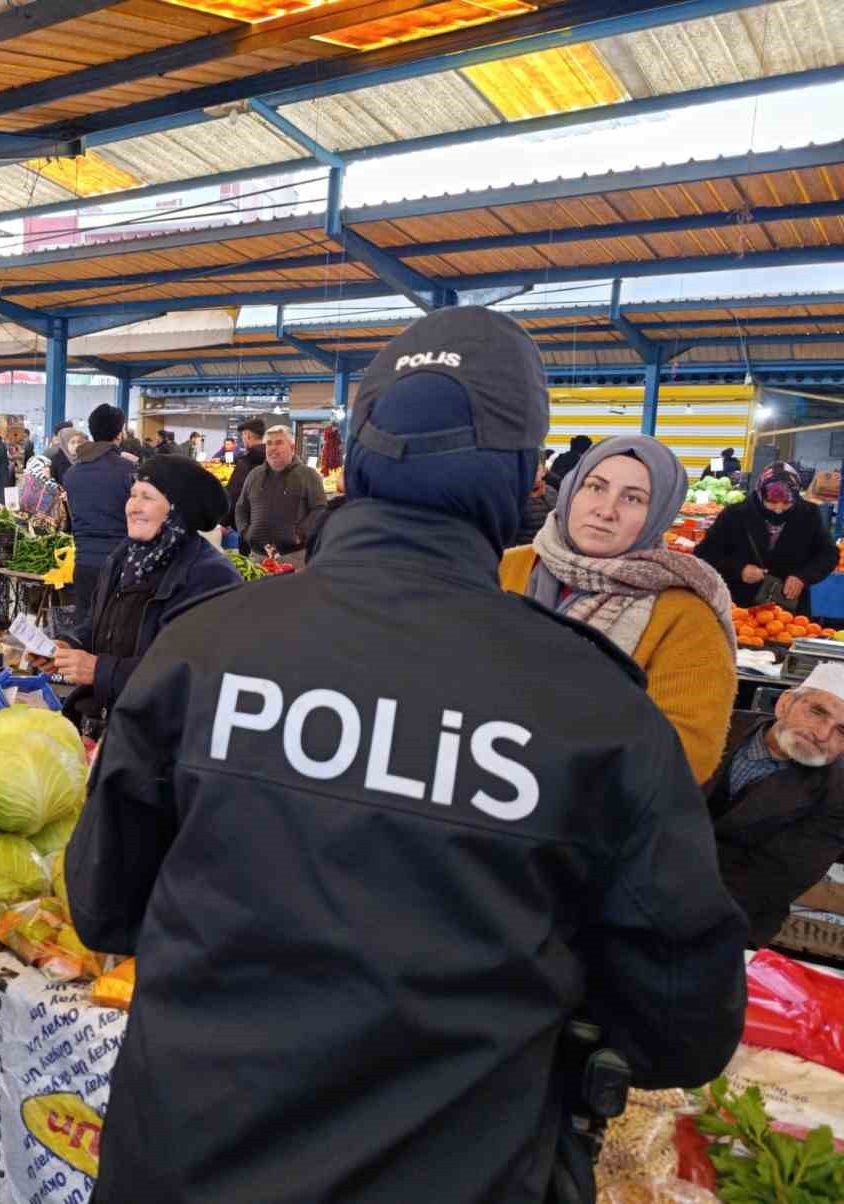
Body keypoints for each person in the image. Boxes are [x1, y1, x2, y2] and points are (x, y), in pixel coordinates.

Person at [64, 307, 748, 1204]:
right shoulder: (595, 709)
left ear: (358, 454)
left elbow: (104, 905)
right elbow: (679, 1027)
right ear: (521, 478)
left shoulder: (208, 647)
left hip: (182, 1159)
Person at [501, 435, 736, 784]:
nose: (606, 510)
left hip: (582, 820)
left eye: (633, 499)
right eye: (595, 487)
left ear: (659, 515)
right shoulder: (502, 569)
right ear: (571, 491)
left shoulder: (685, 614)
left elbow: (687, 753)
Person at [46, 456, 240, 733]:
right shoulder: (125, 556)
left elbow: (192, 674)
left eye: (147, 497)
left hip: (159, 738)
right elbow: (100, 623)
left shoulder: (210, 576)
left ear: (176, 509)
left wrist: (100, 671)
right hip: (106, 722)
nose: (132, 507)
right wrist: (67, 644)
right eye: (132, 495)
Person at [704, 667, 844, 946]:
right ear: (784, 703)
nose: (822, 734)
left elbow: (771, 880)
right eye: (817, 712)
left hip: (726, 923)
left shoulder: (837, 794)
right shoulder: (714, 726)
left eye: (842, 731)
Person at [695, 462, 837, 618]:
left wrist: (803, 577)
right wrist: (739, 569)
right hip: (740, 607)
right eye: (772, 502)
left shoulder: (809, 514)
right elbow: (704, 553)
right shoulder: (735, 515)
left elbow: (828, 554)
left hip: (788, 611)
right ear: (760, 494)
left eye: (786, 503)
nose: (779, 509)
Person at [64, 404, 139, 606]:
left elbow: (72, 516)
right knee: (116, 630)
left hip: (83, 563)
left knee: (85, 628)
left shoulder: (72, 474)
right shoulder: (129, 470)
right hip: (120, 563)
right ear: (119, 433)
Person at [233, 423, 328, 566]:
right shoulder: (254, 475)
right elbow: (241, 507)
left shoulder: (308, 475)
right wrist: (246, 532)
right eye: (269, 443)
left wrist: (300, 534)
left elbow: (320, 509)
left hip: (294, 557)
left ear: (291, 447)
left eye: (278, 443)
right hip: (258, 557)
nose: (273, 448)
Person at [223, 417, 267, 550]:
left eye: (243, 436)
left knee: (249, 562)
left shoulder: (246, 462)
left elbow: (235, 493)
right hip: (269, 522)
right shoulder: (272, 459)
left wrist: (224, 522)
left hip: (248, 523)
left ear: (247, 435)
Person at [514, 457, 552, 546]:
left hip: (548, 549)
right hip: (525, 550)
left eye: (536, 469)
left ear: (544, 471)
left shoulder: (551, 491)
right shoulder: (515, 495)